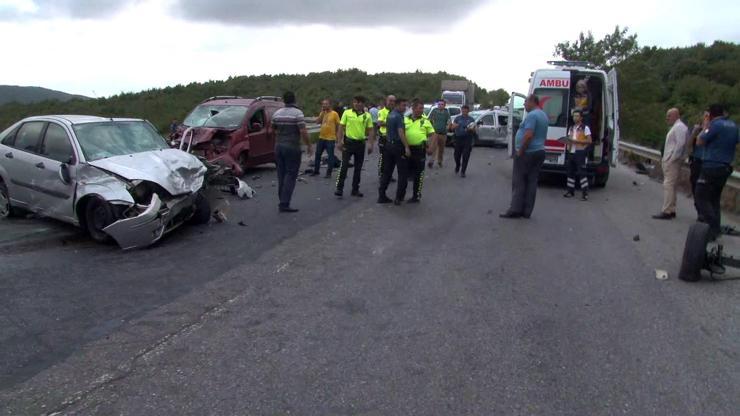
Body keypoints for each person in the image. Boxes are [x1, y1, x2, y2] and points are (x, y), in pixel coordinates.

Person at [694, 104, 739, 240]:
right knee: (714, 199)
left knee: (701, 195)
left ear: (711, 115)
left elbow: (699, 142)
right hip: (725, 167)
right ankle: (715, 230)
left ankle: (711, 227)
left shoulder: (715, 125)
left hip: (711, 166)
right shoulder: (733, 125)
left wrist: (706, 126)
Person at [500, 94, 548, 219]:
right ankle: (527, 211)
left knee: (519, 181)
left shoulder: (532, 115)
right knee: (532, 181)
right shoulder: (543, 114)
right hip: (539, 151)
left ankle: (515, 209)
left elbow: (528, 135)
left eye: (525, 102)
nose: (524, 105)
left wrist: (520, 151)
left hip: (528, 152)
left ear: (532, 102)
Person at [270, 91, 312, 213]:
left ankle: (281, 200)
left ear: (284, 100)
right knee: (291, 174)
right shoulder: (298, 113)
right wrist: (309, 145)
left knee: (281, 174)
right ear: (294, 100)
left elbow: (273, 129)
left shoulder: (276, 113)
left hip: (279, 146)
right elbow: (303, 131)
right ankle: (284, 203)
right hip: (292, 146)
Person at [335, 96, 375, 198]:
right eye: (356, 102)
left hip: (360, 144)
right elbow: (341, 127)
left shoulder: (367, 116)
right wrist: (339, 141)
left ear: (363, 104)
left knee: (358, 168)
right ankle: (339, 188)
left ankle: (355, 189)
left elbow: (370, 130)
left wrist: (371, 144)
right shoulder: (347, 113)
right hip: (348, 143)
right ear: (353, 103)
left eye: (360, 102)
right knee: (344, 166)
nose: (357, 104)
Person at [653, 108, 688, 219]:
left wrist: (671, 158)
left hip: (672, 161)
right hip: (670, 159)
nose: (667, 118)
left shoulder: (680, 127)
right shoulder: (676, 127)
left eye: (669, 116)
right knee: (672, 185)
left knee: (668, 185)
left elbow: (680, 144)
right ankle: (671, 208)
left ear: (676, 116)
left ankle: (667, 210)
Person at [378, 98, 411, 204]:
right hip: (397, 146)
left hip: (388, 145)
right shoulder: (398, 116)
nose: (405, 108)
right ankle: (399, 197)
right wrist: (406, 146)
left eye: (405, 106)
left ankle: (381, 195)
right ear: (397, 105)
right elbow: (401, 133)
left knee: (387, 171)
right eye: (403, 105)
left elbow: (387, 130)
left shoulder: (390, 115)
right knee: (402, 173)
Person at [404, 99, 436, 204]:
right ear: (413, 108)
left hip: (419, 150)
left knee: (419, 174)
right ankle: (401, 194)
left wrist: (430, 147)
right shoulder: (405, 119)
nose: (421, 110)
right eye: (419, 108)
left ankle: (416, 195)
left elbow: (433, 135)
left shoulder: (425, 121)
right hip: (407, 149)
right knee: (405, 174)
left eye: (422, 108)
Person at [563, 109, 593, 200]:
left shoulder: (585, 128)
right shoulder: (571, 128)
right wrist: (567, 145)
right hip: (571, 152)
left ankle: (585, 194)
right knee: (570, 173)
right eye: (574, 116)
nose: (574, 117)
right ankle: (570, 191)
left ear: (581, 118)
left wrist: (577, 141)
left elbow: (589, 141)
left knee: (582, 173)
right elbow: (569, 139)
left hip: (580, 152)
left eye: (577, 116)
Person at [312, 99, 340, 178]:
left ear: (329, 105)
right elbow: (317, 122)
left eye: (326, 104)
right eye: (323, 104)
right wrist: (321, 114)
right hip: (321, 137)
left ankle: (329, 173)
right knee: (317, 154)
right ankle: (316, 171)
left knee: (330, 156)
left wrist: (338, 137)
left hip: (330, 138)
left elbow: (338, 125)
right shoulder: (322, 113)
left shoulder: (334, 114)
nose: (324, 105)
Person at [687, 111, 710, 198]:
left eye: (708, 117)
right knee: (693, 180)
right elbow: (689, 145)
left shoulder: (712, 131)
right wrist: (694, 133)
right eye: (705, 117)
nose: (706, 119)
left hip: (706, 161)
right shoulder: (698, 129)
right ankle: (694, 194)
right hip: (696, 159)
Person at [450, 105, 476, 177]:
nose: (464, 112)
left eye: (466, 111)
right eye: (463, 110)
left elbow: (474, 130)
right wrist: (454, 126)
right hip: (458, 138)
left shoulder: (471, 119)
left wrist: (471, 129)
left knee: (466, 156)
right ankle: (458, 165)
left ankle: (463, 171)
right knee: (456, 156)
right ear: (461, 110)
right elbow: (451, 128)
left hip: (467, 139)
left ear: (468, 111)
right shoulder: (457, 118)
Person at [376, 95, 396, 179]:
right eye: (390, 100)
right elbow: (379, 123)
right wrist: (391, 123)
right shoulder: (382, 111)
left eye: (393, 101)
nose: (391, 102)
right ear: (386, 101)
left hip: (394, 138)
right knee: (383, 157)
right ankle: (381, 174)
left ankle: (389, 175)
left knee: (391, 158)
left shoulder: (396, 112)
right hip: (384, 138)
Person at [427, 100, 450, 168]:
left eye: (442, 104)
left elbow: (449, 122)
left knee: (441, 149)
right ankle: (431, 161)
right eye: (439, 104)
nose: (440, 105)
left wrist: (447, 127)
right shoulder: (434, 111)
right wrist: (430, 128)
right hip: (435, 133)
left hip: (443, 133)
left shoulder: (446, 112)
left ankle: (440, 161)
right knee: (433, 147)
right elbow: (429, 120)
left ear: (444, 105)